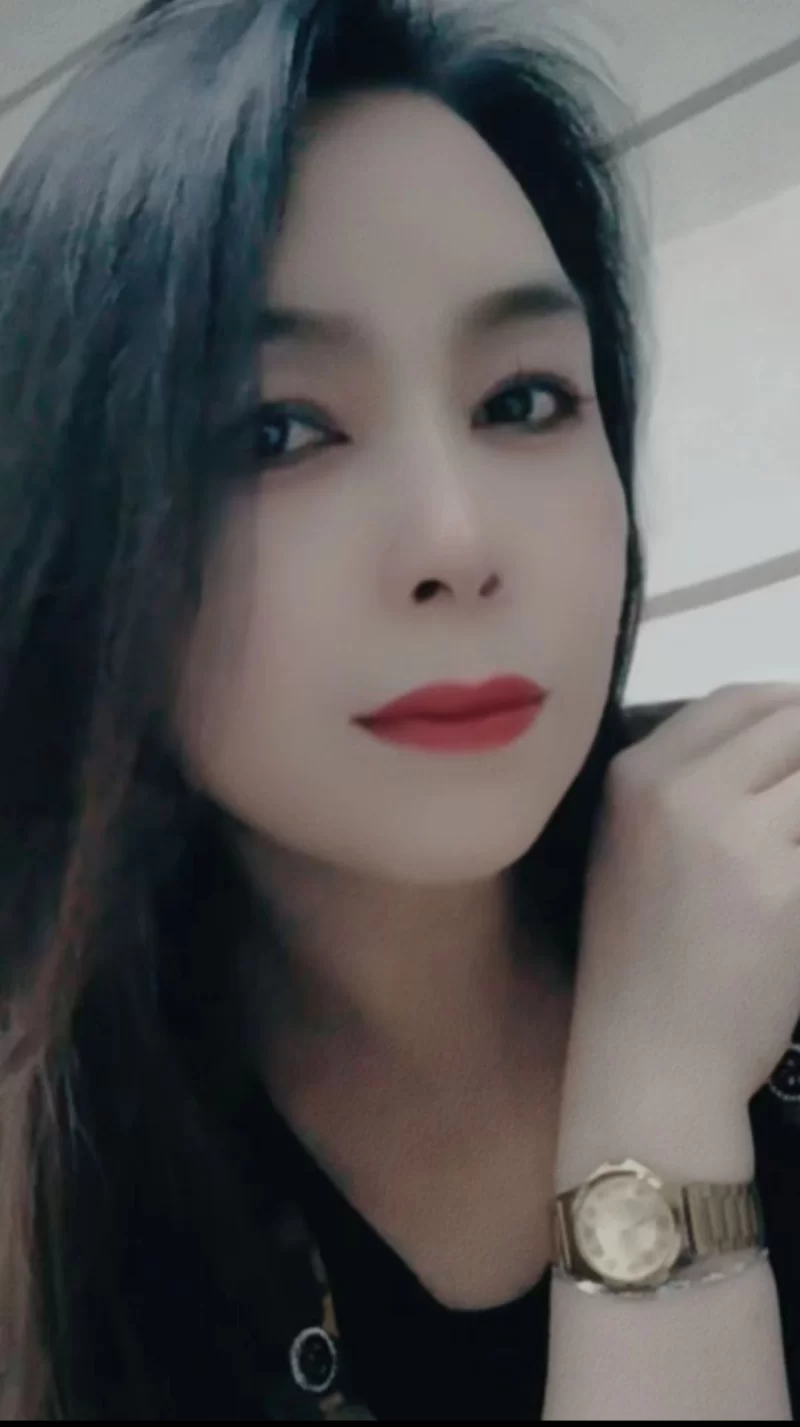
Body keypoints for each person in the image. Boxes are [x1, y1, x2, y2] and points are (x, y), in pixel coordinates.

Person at [1, 0, 799, 1418]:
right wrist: (654, 1103)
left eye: (525, 401)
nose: (456, 539)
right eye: (278, 431)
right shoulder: (50, 1185)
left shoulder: (773, 869)